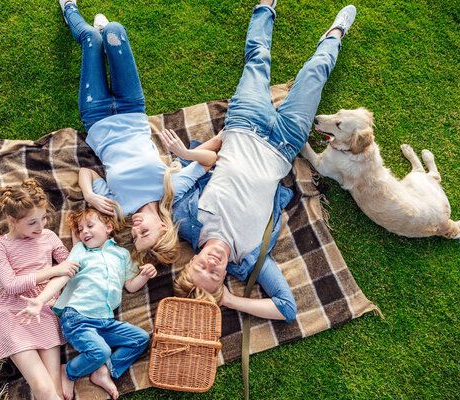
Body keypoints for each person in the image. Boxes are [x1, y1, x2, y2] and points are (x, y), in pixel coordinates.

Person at [173, 1, 357, 322]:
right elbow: (286, 308)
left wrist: (217, 141)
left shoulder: (187, 219)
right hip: (285, 143)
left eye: (201, 265)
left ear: (192, 260)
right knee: (315, 73)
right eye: (214, 275)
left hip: (244, 122)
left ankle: (265, 7)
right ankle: (335, 33)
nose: (212, 264)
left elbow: (180, 180)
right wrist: (228, 300)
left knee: (257, 60)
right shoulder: (250, 260)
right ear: (222, 281)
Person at [58, 0, 219, 268]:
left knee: (90, 39)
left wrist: (89, 194)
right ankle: (109, 43)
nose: (135, 229)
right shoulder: (172, 190)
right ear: (164, 227)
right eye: (144, 232)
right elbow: (208, 160)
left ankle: (70, 10)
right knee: (114, 29)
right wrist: (184, 154)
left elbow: (86, 172)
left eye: (135, 236)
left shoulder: (118, 209)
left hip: (97, 117)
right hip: (131, 109)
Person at [18, 207, 156, 400]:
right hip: (77, 317)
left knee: (140, 338)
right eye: (81, 229)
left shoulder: (122, 254)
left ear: (109, 227)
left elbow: (131, 286)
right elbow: (63, 276)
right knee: (100, 351)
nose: (85, 232)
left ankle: (104, 371)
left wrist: (144, 275)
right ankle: (68, 372)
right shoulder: (80, 251)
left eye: (90, 226)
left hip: (105, 321)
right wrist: (41, 300)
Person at [0, 179, 81, 400]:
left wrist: (77, 248)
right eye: (32, 223)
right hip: (15, 314)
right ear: (12, 220)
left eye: (44, 218)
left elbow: (70, 265)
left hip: (45, 310)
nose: (41, 227)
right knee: (42, 388)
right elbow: (11, 285)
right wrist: (51, 271)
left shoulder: (48, 237)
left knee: (55, 391)